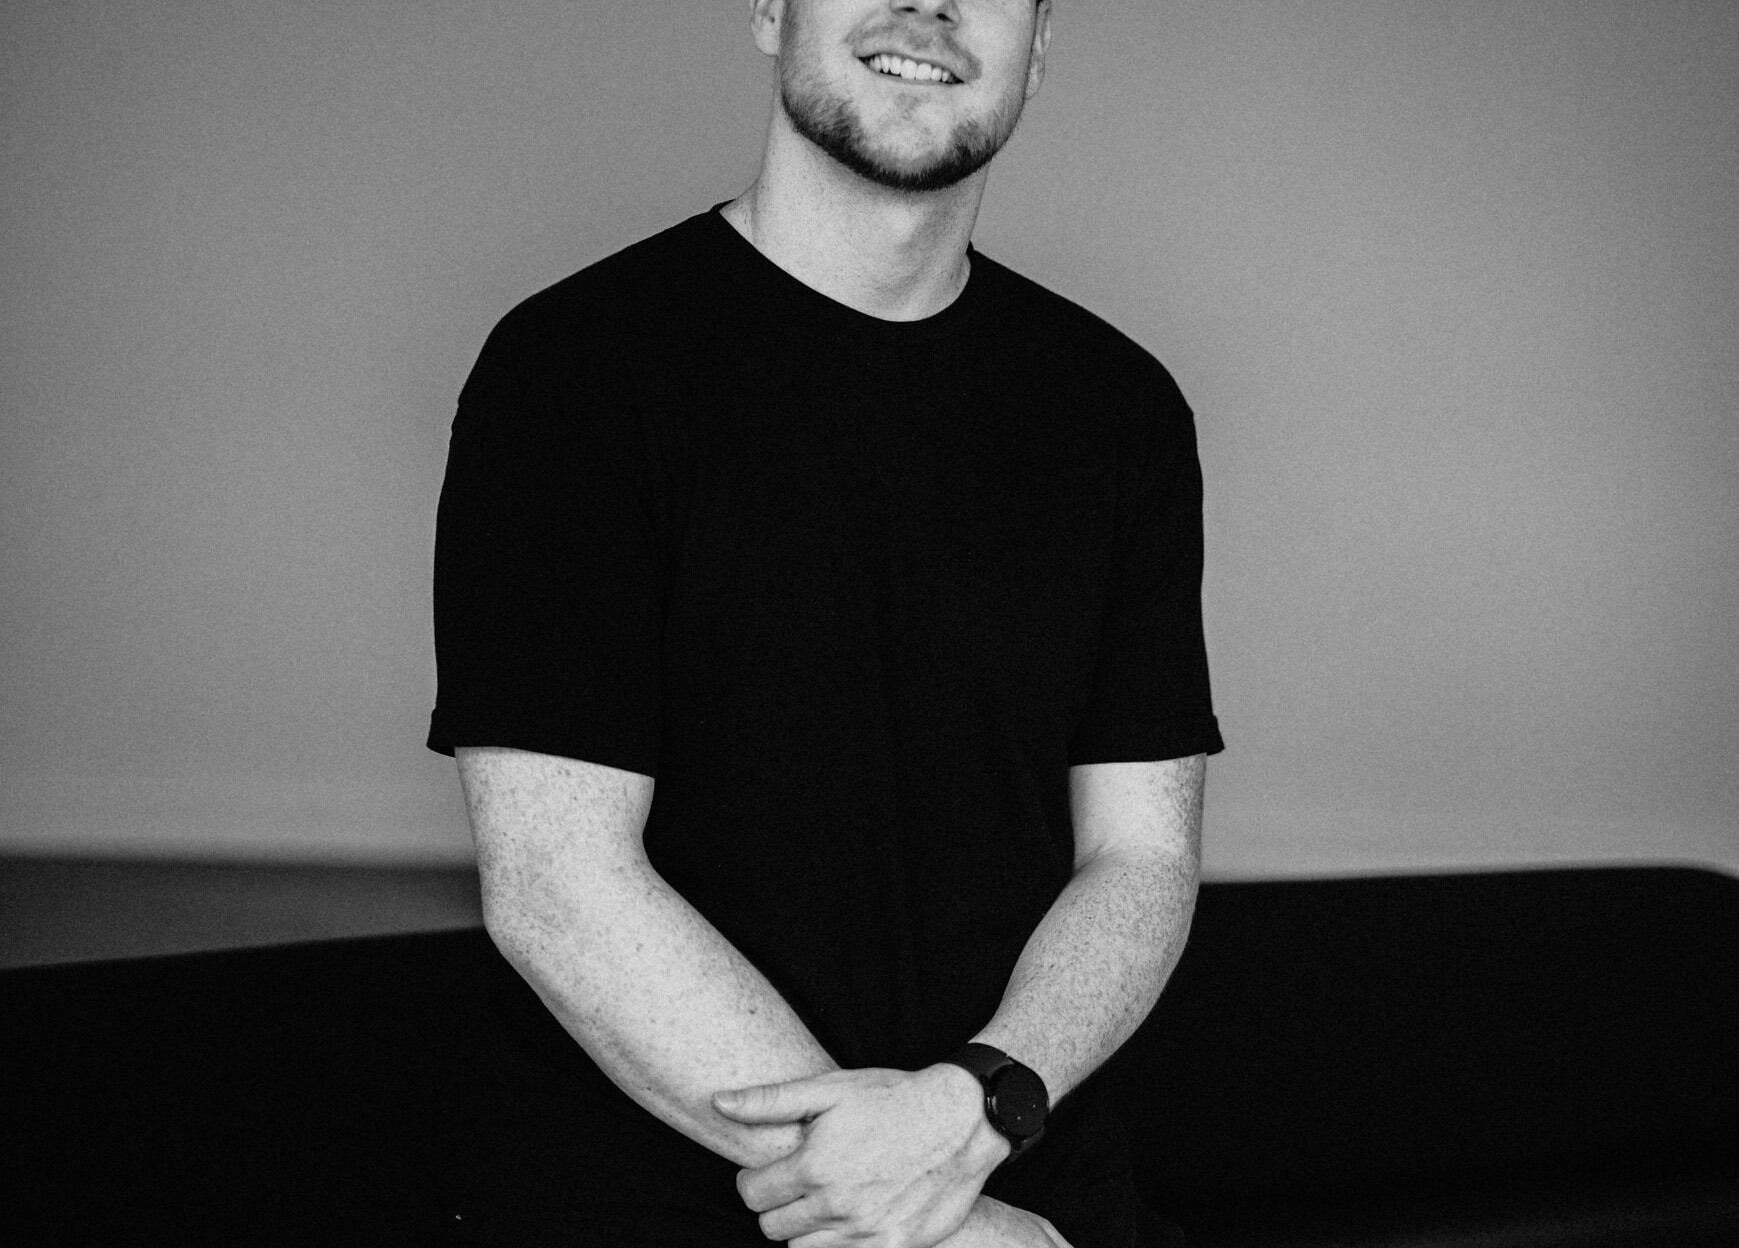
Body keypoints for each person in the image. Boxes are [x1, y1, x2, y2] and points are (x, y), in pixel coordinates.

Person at [427, 2, 1223, 1244]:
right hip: (664, 1203)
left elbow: (1142, 858)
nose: (930, 8)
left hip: (1024, 1179)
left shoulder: (1115, 410)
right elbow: (558, 883)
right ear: (768, 8)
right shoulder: (574, 371)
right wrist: (925, 1226)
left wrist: (980, 1109)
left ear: (1039, 47)